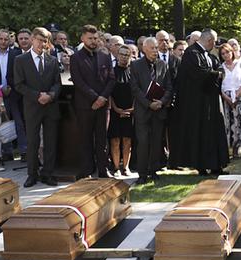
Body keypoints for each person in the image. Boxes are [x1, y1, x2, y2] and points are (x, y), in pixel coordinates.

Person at [171, 28, 228, 175]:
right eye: (214, 42)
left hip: (211, 102)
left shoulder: (207, 55)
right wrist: (217, 74)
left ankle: (216, 165)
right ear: (209, 40)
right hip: (198, 104)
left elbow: (216, 68)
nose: (214, 45)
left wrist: (218, 72)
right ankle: (201, 165)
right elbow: (199, 75)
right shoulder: (192, 53)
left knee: (214, 131)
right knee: (201, 133)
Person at [13, 27, 61, 187]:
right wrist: (37, 96)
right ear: (32, 39)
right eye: (40, 40)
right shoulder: (20, 60)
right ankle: (32, 174)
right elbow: (19, 85)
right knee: (33, 142)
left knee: (50, 141)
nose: (42, 44)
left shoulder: (52, 60)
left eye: (45, 41)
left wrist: (51, 95)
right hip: (32, 107)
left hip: (50, 106)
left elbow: (57, 84)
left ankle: (48, 174)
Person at [70, 24, 115, 180]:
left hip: (102, 106)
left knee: (102, 139)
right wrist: (95, 97)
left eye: (95, 38)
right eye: (90, 38)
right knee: (85, 139)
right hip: (85, 105)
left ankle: (103, 170)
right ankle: (87, 170)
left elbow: (111, 78)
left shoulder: (105, 55)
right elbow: (78, 81)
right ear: (82, 38)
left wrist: (102, 98)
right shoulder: (75, 57)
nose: (93, 41)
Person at [130, 37, 173, 184]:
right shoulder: (135, 65)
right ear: (144, 49)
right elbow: (135, 89)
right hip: (143, 111)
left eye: (156, 48)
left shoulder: (163, 65)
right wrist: (149, 104)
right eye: (153, 48)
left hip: (159, 111)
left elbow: (169, 87)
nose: (156, 50)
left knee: (156, 142)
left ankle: (154, 170)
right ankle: (142, 174)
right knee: (143, 143)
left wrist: (162, 101)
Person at [0, 28, 24, 162]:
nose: (3, 41)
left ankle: (23, 150)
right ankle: (6, 153)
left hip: (14, 93)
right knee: (1, 124)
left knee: (19, 122)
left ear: (10, 40)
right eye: (1, 39)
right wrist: (0, 89)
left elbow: (19, 74)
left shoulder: (16, 54)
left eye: (6, 39)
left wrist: (11, 88)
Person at [219, 42, 241, 159]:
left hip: (239, 96)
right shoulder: (220, 67)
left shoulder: (240, 65)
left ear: (232, 52)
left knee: (240, 122)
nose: (226, 55)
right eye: (223, 54)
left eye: (227, 52)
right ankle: (230, 148)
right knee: (229, 123)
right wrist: (227, 98)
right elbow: (219, 86)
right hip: (226, 97)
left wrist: (236, 97)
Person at [108, 44, 135, 177]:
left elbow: (137, 91)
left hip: (131, 110)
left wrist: (133, 108)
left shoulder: (134, 72)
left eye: (127, 55)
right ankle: (116, 167)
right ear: (117, 55)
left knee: (127, 140)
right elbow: (109, 93)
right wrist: (117, 109)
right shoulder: (111, 71)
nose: (124, 57)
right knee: (115, 140)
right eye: (122, 54)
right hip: (115, 110)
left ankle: (126, 167)